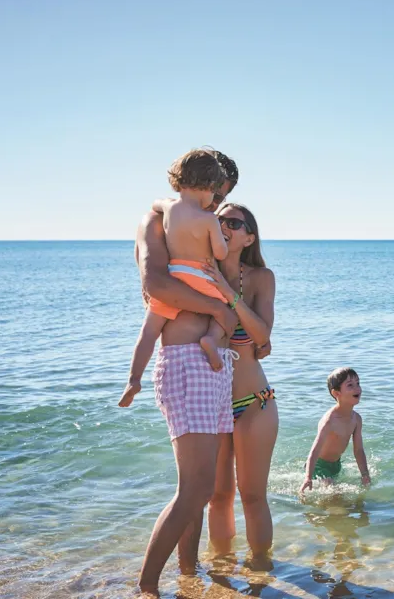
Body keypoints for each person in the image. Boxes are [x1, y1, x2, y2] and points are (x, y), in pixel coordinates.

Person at [131, 149, 270, 597]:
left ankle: (188, 576)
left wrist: (230, 307)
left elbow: (260, 337)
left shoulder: (218, 241)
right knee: (196, 489)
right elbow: (156, 284)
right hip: (187, 360)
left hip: (217, 372)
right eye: (217, 196)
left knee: (200, 488)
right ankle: (148, 585)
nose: (218, 208)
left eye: (225, 200)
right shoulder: (159, 222)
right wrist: (218, 308)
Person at [198, 203, 279, 562]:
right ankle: (221, 572)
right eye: (219, 220)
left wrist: (228, 293)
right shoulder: (199, 273)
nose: (224, 226)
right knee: (217, 496)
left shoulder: (261, 278)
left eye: (233, 222)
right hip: (211, 404)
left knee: (252, 495)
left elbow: (262, 336)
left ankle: (261, 572)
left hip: (254, 403)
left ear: (249, 238)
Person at [119, 150, 231, 409]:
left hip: (175, 275)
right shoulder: (209, 219)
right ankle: (211, 340)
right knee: (225, 312)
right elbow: (220, 253)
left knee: (149, 331)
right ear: (210, 187)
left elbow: (155, 203)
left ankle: (134, 379)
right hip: (202, 276)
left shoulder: (169, 207)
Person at [300, 368, 371, 492]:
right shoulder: (329, 421)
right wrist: (308, 478)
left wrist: (365, 474)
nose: (357, 388)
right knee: (335, 495)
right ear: (336, 393)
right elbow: (314, 451)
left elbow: (358, 450)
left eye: (358, 383)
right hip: (318, 466)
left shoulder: (356, 419)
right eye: (350, 385)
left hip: (336, 465)